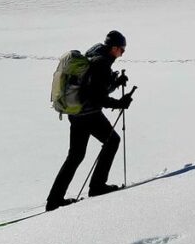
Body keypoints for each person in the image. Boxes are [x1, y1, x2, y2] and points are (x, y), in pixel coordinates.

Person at [45, 30, 132, 211]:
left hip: (76, 113)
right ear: (114, 48)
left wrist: (115, 83)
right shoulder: (102, 63)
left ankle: (54, 200)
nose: (122, 53)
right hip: (89, 113)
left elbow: (93, 88)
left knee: (75, 156)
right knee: (113, 140)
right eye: (122, 50)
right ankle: (97, 186)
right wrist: (120, 103)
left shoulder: (94, 55)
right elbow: (96, 97)